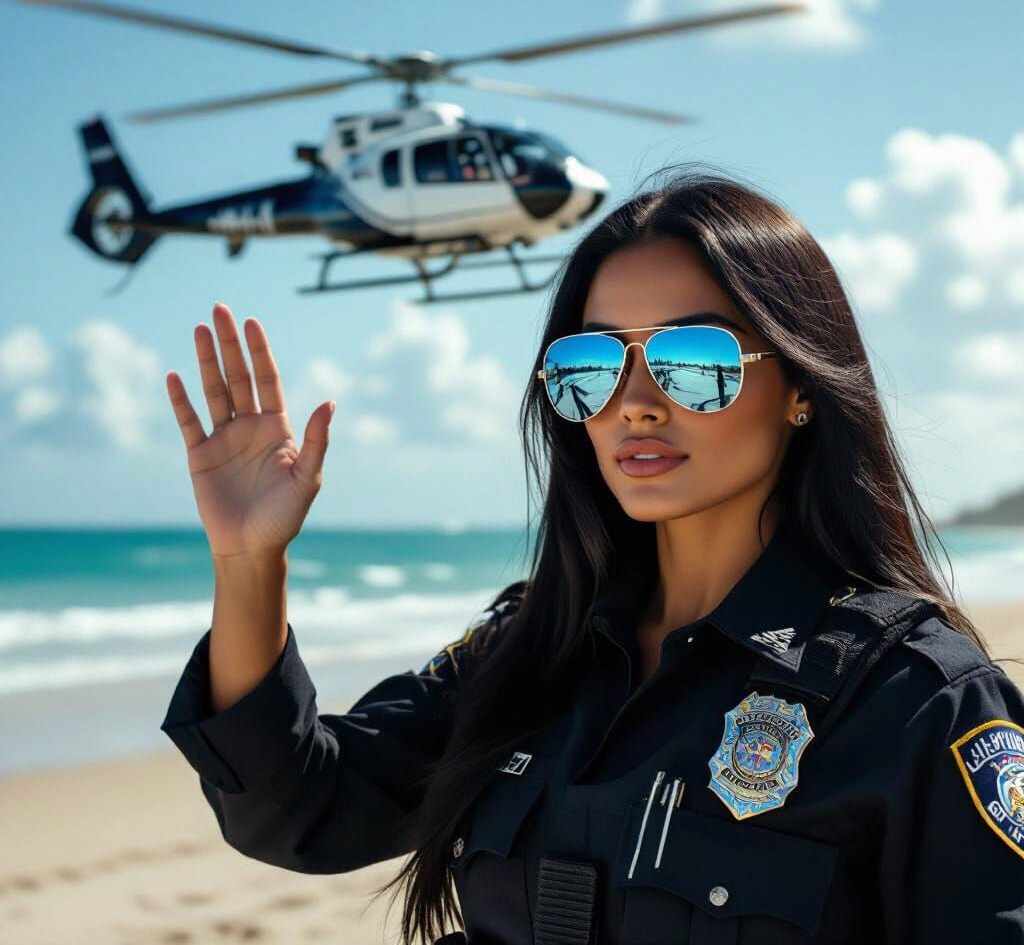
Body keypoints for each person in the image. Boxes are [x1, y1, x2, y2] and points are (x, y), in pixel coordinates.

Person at [160, 169, 1024, 945]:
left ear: (800, 385)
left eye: (694, 360)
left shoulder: (917, 703)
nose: (634, 403)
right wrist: (249, 562)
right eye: (593, 362)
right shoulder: (532, 649)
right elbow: (298, 810)